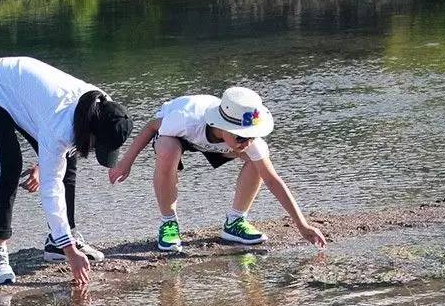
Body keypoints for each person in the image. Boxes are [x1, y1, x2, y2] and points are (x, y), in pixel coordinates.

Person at [0, 56, 131, 290]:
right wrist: (71, 253)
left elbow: (55, 151)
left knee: (70, 155)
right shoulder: (60, 126)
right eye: (97, 145)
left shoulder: (104, 107)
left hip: (30, 100)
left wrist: (44, 165)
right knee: (9, 164)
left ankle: (58, 241)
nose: (95, 150)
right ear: (92, 129)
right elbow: (51, 188)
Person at [108, 85, 326, 256]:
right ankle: (169, 224)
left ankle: (235, 222)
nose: (246, 142)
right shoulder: (184, 118)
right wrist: (126, 162)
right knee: (167, 149)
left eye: (251, 135)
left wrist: (303, 225)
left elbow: (273, 180)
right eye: (241, 136)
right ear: (223, 125)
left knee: (258, 160)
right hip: (181, 137)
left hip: (217, 142)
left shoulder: (248, 142)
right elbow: (151, 127)